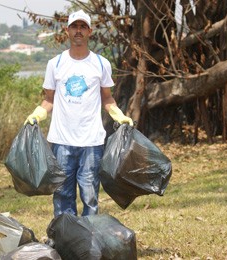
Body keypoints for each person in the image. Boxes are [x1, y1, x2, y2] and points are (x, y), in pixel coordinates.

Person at [25, 10, 133, 217]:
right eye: (74, 26)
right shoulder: (55, 64)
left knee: (90, 194)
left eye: (83, 27)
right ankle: (65, 239)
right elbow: (49, 99)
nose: (78, 31)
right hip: (61, 140)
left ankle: (88, 242)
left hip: (92, 141)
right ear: (67, 31)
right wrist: (37, 114)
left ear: (90, 32)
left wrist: (119, 115)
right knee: (63, 194)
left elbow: (107, 98)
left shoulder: (101, 64)